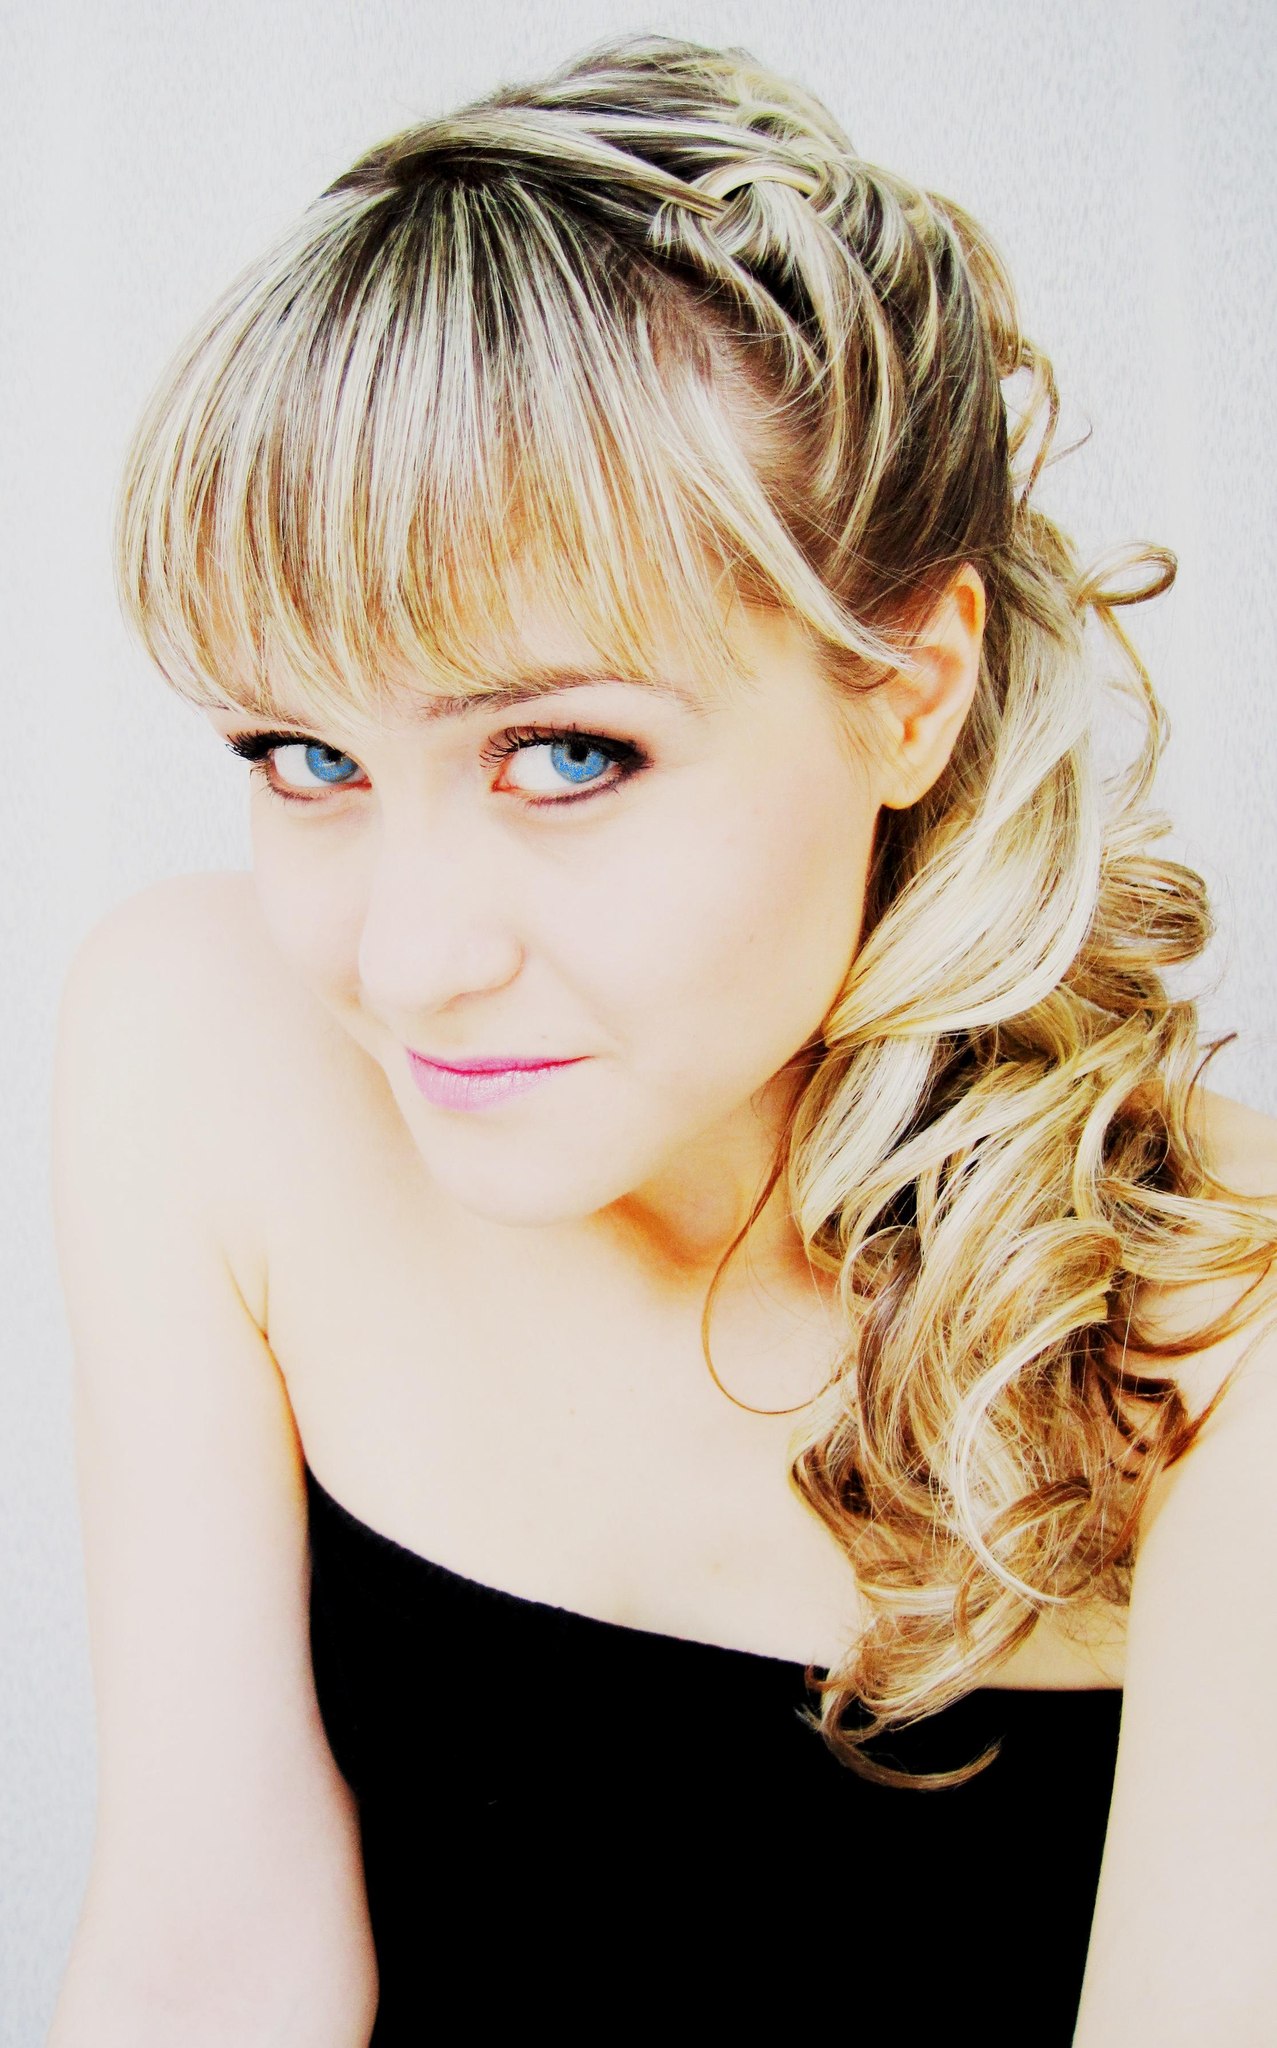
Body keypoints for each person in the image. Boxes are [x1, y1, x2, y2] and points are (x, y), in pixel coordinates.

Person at [48, 30, 1277, 2048]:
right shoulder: (206, 1048)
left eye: (565, 753)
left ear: (906, 690)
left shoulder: (1224, 1321)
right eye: (306, 756)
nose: (411, 960)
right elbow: (211, 1956)